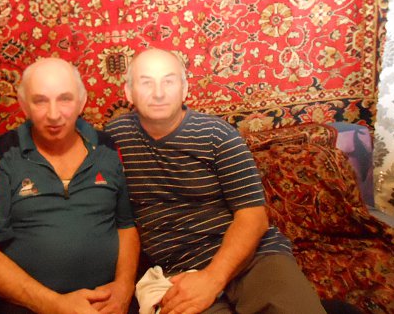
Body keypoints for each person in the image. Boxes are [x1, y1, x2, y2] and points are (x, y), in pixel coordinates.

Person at [104, 48, 326, 314]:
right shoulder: (113, 139)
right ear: (128, 93)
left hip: (253, 258)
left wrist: (212, 279)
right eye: (146, 82)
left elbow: (253, 217)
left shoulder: (218, 136)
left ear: (185, 89)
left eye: (169, 81)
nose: (159, 93)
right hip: (180, 272)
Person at [0, 57, 140, 314]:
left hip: (107, 305)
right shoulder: (2, 154)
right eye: (40, 101)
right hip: (29, 307)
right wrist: (55, 305)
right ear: (24, 106)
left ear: (81, 102)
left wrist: (124, 288)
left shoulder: (108, 148)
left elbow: (126, 226)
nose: (54, 114)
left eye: (65, 99)